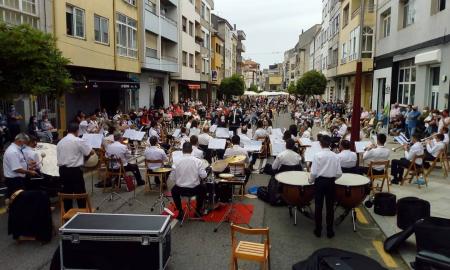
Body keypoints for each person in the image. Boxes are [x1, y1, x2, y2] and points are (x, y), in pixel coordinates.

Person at [309, 135, 342, 238]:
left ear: (320, 144)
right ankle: (330, 231)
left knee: (318, 206)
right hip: (331, 182)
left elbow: (313, 172)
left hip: (319, 182)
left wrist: (310, 180)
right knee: (330, 207)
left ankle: (318, 230)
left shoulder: (317, 155)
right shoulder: (335, 156)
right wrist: (332, 179)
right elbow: (339, 173)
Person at [57, 122, 94, 211]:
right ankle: (82, 215)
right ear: (77, 131)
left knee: (67, 193)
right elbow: (90, 152)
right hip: (74, 171)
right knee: (80, 193)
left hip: (62, 170)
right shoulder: (78, 140)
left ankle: (67, 214)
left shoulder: (60, 142)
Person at [169, 142, 207, 220]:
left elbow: (172, 178)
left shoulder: (176, 161)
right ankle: (198, 210)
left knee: (173, 190)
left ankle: (180, 211)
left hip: (180, 189)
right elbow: (204, 175)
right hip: (194, 189)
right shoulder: (198, 161)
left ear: (182, 150)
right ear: (191, 150)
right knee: (203, 188)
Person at [3, 133, 39, 198]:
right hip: (14, 180)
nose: (25, 145)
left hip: (18, 179)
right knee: (17, 200)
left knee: (20, 199)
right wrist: (30, 172)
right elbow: (16, 169)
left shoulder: (17, 149)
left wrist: (28, 165)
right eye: (25, 143)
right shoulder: (13, 151)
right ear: (20, 141)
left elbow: (19, 162)